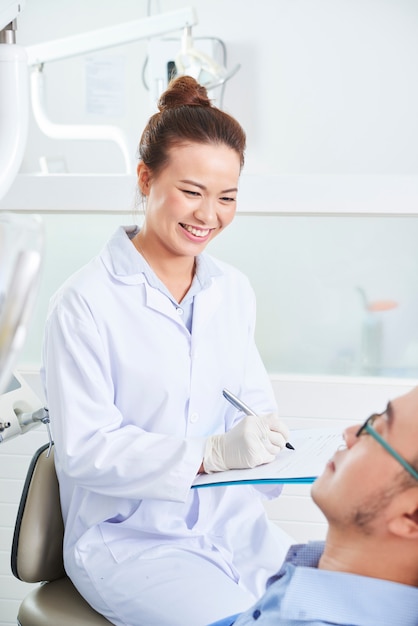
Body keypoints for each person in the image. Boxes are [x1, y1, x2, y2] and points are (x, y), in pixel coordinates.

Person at [41, 75, 294, 626]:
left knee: (318, 609)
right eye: (192, 191)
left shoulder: (232, 291)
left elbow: (251, 407)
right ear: (145, 177)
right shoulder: (84, 303)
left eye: (227, 197)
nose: (209, 215)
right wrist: (210, 454)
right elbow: (85, 450)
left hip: (231, 525)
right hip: (133, 541)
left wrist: (281, 450)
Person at [209, 385, 418, 626]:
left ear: (411, 516)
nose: (349, 434)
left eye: (377, 433)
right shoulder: (306, 578)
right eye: (372, 420)